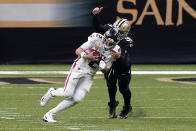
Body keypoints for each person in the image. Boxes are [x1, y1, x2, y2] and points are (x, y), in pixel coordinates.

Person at [40, 28, 121, 122]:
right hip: (79, 67)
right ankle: (51, 92)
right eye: (107, 39)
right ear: (105, 36)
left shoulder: (115, 51)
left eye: (111, 42)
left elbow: (107, 70)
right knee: (67, 93)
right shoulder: (96, 39)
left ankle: (49, 114)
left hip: (90, 74)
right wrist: (87, 56)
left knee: (77, 98)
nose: (107, 43)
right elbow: (78, 50)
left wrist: (102, 66)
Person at [92, 7, 134, 119]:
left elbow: (127, 60)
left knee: (123, 88)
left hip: (122, 66)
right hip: (110, 64)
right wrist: (96, 16)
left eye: (119, 32)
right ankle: (112, 104)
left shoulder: (126, 41)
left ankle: (127, 107)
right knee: (110, 85)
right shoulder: (109, 29)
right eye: (115, 29)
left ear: (125, 32)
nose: (115, 33)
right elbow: (98, 27)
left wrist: (119, 57)